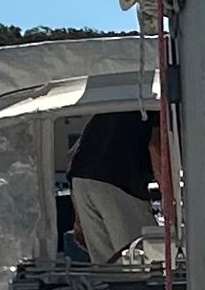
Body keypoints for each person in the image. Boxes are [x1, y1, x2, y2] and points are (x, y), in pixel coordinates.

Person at [65, 107, 159, 265]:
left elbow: (71, 155)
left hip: (81, 181)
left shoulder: (112, 105)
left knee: (106, 268)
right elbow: (156, 148)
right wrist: (171, 200)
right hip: (118, 179)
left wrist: (78, 220)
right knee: (142, 259)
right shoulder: (154, 103)